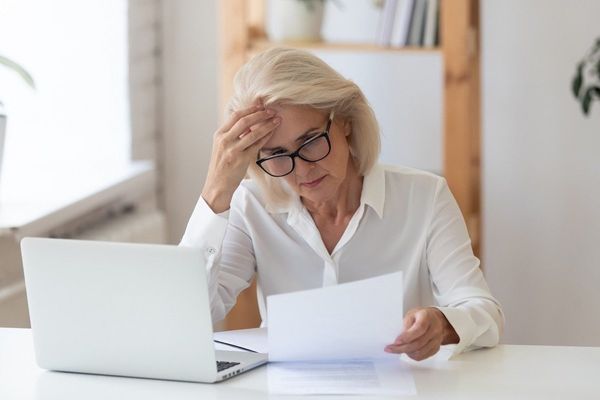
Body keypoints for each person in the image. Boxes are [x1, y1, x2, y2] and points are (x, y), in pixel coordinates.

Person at [180, 47, 504, 361]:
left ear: (345, 121)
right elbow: (189, 315)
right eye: (277, 155)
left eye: (309, 141)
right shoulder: (250, 205)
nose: (303, 168)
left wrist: (442, 325)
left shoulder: (424, 196)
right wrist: (216, 190)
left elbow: (484, 313)